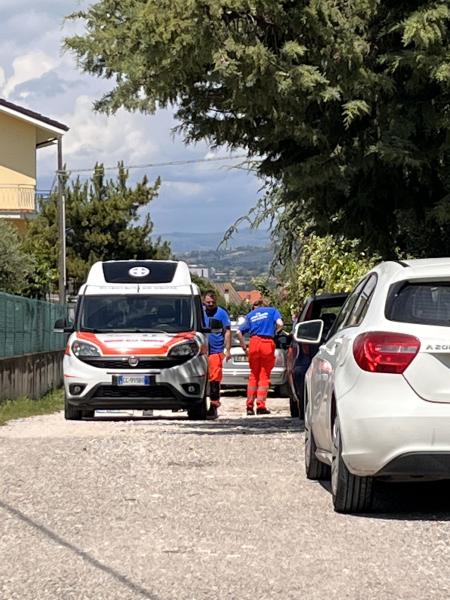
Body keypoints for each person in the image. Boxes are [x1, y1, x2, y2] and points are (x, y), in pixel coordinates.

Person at [237, 300, 284, 415]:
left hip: (254, 343)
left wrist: (244, 347)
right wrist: (274, 332)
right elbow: (280, 324)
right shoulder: (272, 311)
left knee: (253, 375)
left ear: (254, 307)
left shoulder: (250, 315)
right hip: (267, 343)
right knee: (264, 376)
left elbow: (238, 332)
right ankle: (261, 406)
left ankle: (249, 406)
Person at [203, 290, 232, 419]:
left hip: (215, 351)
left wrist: (228, 349)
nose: (210, 304)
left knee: (214, 379)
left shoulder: (221, 313)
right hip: (200, 350)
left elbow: (227, 332)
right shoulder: (200, 312)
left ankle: (214, 406)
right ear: (204, 301)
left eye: (212, 302)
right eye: (208, 302)